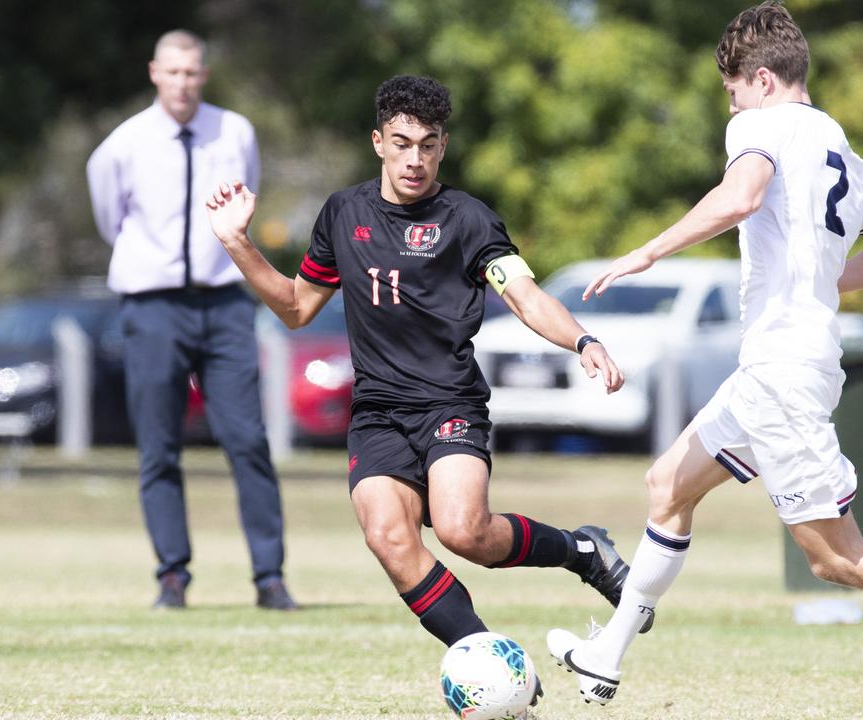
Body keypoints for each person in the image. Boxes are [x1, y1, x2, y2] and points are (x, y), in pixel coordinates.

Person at [546, 4, 863, 719]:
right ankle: (607, 659)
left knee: (837, 557)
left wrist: (648, 250)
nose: (730, 104)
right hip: (785, 365)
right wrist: (820, 279)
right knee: (668, 486)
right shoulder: (839, 146)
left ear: (759, 79)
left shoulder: (756, 125)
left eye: (732, 90)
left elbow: (742, 195)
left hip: (781, 373)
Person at [204, 75, 641, 653]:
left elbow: (524, 296)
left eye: (428, 145)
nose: (416, 159)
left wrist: (584, 342)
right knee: (388, 536)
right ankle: (490, 663)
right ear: (378, 141)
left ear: (443, 146)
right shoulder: (343, 213)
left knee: (465, 532)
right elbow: (295, 308)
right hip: (379, 413)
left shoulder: (467, 219)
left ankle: (581, 550)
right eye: (403, 143)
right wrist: (238, 242)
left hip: (450, 403)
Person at [86, 30, 295, 611]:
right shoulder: (121, 146)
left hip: (224, 302)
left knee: (247, 439)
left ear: (203, 74)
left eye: (192, 72)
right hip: (152, 304)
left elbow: (247, 196)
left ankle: (269, 577)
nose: (182, 83)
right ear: (155, 72)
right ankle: (172, 576)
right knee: (158, 445)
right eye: (172, 72)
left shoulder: (234, 132)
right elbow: (112, 220)